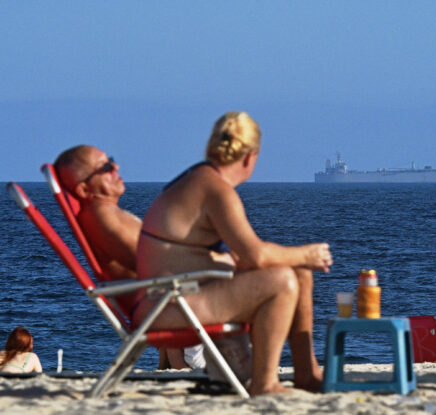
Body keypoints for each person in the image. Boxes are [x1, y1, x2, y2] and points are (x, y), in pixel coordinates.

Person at [134, 111, 333, 396]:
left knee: (298, 274)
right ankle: (265, 384)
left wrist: (297, 262)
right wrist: (308, 254)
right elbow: (257, 256)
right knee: (283, 281)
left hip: (171, 295)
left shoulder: (197, 180)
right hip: (168, 305)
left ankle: (306, 373)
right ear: (250, 157)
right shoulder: (216, 190)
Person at [54, 145, 194, 370]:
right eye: (106, 167)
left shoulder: (105, 217)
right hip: (183, 322)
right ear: (83, 189)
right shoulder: (106, 220)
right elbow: (161, 268)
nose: (116, 167)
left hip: (175, 317)